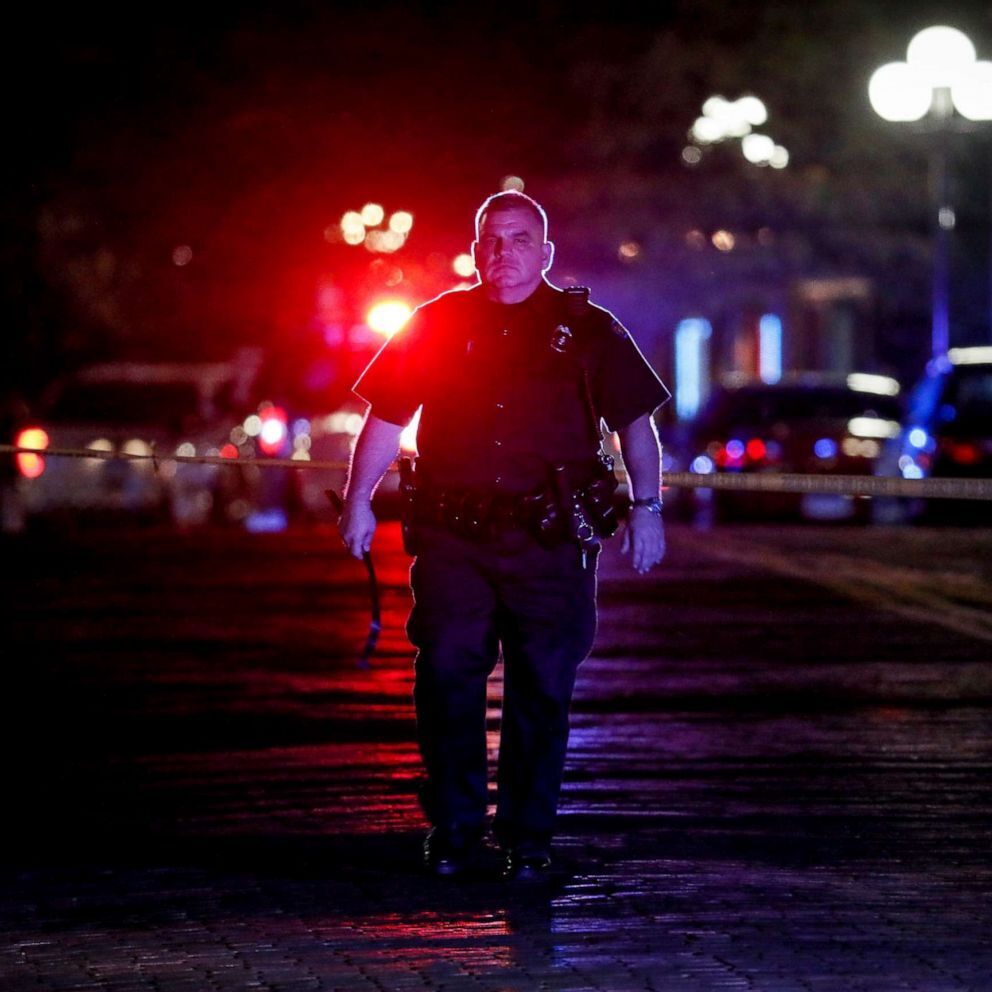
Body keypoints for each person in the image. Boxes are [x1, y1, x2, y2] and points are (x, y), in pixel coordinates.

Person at [339, 190, 669, 879]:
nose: (503, 253)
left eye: (519, 239)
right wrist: (357, 502)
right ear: (474, 250)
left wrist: (647, 508)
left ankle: (528, 837)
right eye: (491, 239)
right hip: (455, 539)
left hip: (549, 543)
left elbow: (635, 424)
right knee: (446, 677)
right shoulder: (436, 323)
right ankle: (456, 828)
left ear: (545, 253)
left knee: (543, 687)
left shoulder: (589, 329)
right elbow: (387, 417)